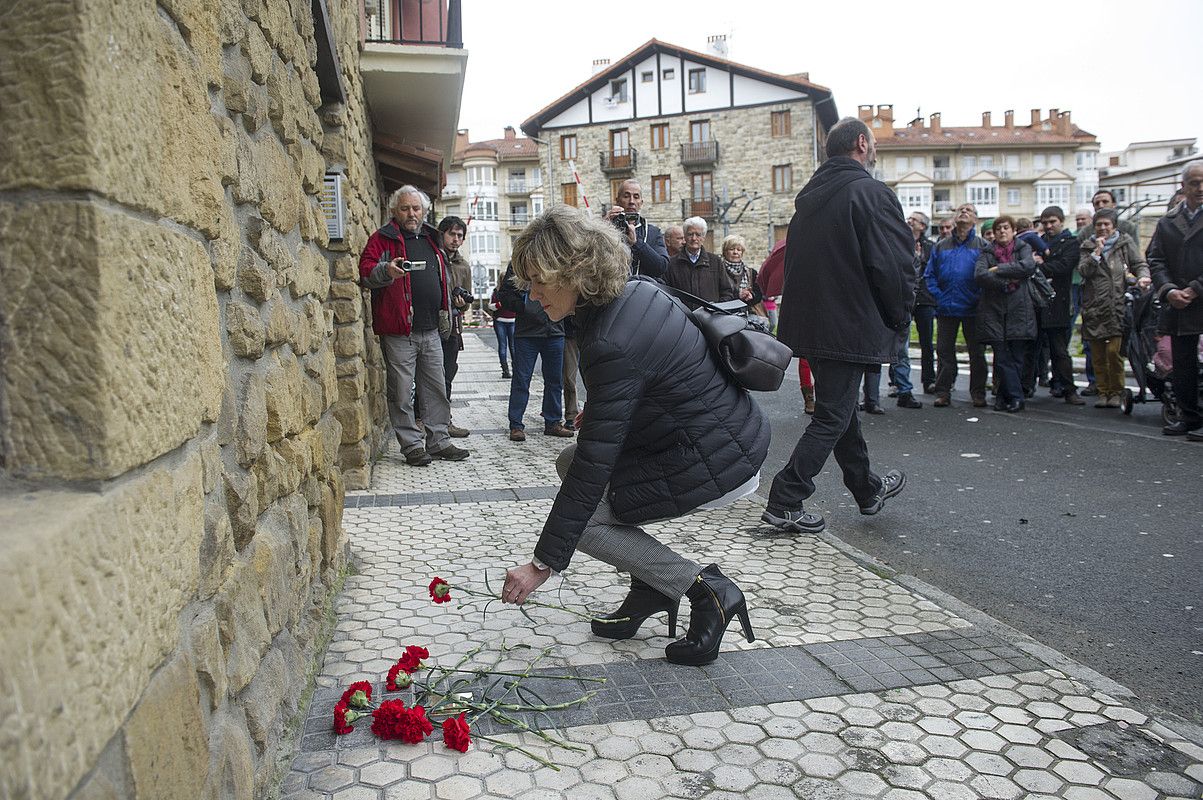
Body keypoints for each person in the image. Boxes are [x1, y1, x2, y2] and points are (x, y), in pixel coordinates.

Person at [499, 206, 766, 666]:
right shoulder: (633, 291)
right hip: (715, 433)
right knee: (568, 461)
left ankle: (706, 589)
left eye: (539, 280)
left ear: (574, 272)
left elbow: (594, 467)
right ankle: (650, 585)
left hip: (717, 457)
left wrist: (541, 564)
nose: (532, 294)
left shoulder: (611, 340)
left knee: (585, 520)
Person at [761, 117, 913, 534]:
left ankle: (867, 490)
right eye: (875, 142)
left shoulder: (808, 199)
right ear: (862, 143)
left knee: (840, 411)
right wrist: (901, 316)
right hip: (849, 322)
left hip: (814, 323)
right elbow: (894, 266)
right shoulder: (872, 194)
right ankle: (785, 498)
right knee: (831, 417)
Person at [359, 186, 470, 466]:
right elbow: (365, 272)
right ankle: (411, 446)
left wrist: (451, 300)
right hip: (399, 331)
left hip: (432, 328)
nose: (411, 213)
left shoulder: (433, 238)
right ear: (395, 211)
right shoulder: (383, 239)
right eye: (406, 208)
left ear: (423, 211)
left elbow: (442, 275)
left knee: (436, 388)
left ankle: (439, 442)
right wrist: (386, 271)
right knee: (401, 391)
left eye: (416, 208)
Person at [1147, 160, 1203, 438]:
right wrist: (1169, 290)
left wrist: (1195, 288)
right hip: (1177, 304)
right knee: (1183, 364)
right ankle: (1189, 417)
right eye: (1194, 182)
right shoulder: (1167, 221)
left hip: (1199, 298)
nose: (1201, 187)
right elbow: (1155, 259)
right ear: (1183, 186)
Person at [1078, 208, 1150, 408]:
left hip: (1118, 306)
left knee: (1114, 352)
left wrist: (1143, 276)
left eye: (1106, 224)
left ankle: (1117, 391)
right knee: (1098, 355)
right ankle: (1103, 392)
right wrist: (1096, 253)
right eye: (1099, 224)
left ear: (1114, 226)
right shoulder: (1087, 246)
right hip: (1094, 307)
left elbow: (1139, 264)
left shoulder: (1125, 244)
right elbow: (1083, 271)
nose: (1102, 228)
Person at [498, 265, 575, 441]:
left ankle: (553, 422)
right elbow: (505, 293)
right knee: (521, 380)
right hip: (527, 333)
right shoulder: (520, 262)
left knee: (555, 381)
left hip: (555, 330)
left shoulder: (558, 258)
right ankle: (516, 425)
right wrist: (525, 306)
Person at [927, 203, 990, 407]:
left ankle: (978, 393)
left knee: (977, 353)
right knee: (944, 351)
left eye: (969, 210)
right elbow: (929, 275)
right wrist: (939, 296)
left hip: (974, 308)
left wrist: (979, 298)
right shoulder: (941, 245)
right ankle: (943, 391)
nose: (963, 212)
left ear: (975, 220)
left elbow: (988, 276)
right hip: (946, 307)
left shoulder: (982, 246)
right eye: (960, 210)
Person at [974, 217, 1038, 412]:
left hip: (1019, 309)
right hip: (993, 311)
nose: (1002, 231)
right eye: (998, 228)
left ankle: (1004, 397)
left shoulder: (1023, 248)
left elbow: (1028, 267)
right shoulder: (987, 251)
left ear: (1013, 230)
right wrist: (1005, 280)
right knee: (1001, 357)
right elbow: (980, 275)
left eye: (1006, 228)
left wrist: (1000, 269)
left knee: (1017, 357)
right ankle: (1017, 397)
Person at [1032, 206, 1085, 404]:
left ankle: (1068, 388)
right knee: (1032, 348)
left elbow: (1064, 266)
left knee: (1059, 350)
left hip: (1058, 302)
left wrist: (1039, 266)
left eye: (1052, 222)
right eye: (1045, 223)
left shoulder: (1071, 242)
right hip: (1037, 302)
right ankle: (1027, 387)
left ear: (1061, 221)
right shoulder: (1038, 242)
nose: (1048, 226)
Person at [438, 216, 473, 438]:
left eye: (460, 236)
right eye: (451, 234)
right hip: (431, 326)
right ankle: (423, 419)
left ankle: (444, 421)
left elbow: (466, 303)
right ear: (442, 234)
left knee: (448, 375)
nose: (455, 239)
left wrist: (461, 305)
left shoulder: (463, 266)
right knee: (428, 376)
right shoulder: (434, 259)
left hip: (452, 329)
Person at [603, 179, 668, 278]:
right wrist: (602, 228)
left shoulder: (653, 232)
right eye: (626, 196)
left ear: (641, 203)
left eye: (636, 197)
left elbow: (661, 268)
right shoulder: (606, 228)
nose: (631, 201)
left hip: (643, 290)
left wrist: (637, 243)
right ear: (617, 201)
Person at [663, 217, 732, 303]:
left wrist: (715, 308)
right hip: (681, 315)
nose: (694, 238)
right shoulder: (671, 264)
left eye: (698, 235)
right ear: (685, 236)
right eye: (690, 234)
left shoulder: (715, 262)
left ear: (703, 237)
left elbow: (727, 292)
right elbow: (665, 294)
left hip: (711, 315)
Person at [908, 211, 937, 394]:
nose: (909, 221)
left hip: (925, 299)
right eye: (909, 218)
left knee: (926, 342)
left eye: (914, 220)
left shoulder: (931, 247)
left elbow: (933, 271)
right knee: (900, 344)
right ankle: (898, 383)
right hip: (905, 298)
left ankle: (929, 380)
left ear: (923, 226)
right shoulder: (899, 242)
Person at [719, 234, 766, 315]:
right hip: (725, 314)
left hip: (747, 314)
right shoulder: (718, 271)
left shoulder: (751, 272)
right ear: (725, 252)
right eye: (731, 249)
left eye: (739, 250)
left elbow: (759, 294)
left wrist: (751, 296)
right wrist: (738, 296)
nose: (735, 252)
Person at [488, 274, 515, 378]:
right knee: (512, 346)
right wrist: (499, 305)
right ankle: (512, 370)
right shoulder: (512, 291)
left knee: (504, 346)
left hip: (504, 321)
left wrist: (498, 305)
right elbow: (491, 306)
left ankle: (506, 371)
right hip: (508, 320)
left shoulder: (497, 292)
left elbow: (491, 306)